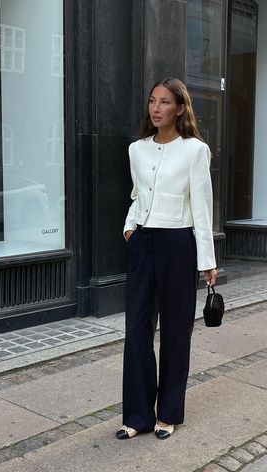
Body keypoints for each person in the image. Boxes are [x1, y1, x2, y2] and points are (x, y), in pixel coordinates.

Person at [116, 77, 217, 441]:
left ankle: (168, 413)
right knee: (137, 332)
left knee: (176, 332)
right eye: (152, 101)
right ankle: (138, 416)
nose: (156, 108)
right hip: (142, 242)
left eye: (164, 102)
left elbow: (202, 209)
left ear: (179, 108)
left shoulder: (194, 150)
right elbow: (136, 195)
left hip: (179, 246)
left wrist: (206, 260)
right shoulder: (137, 150)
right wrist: (130, 230)